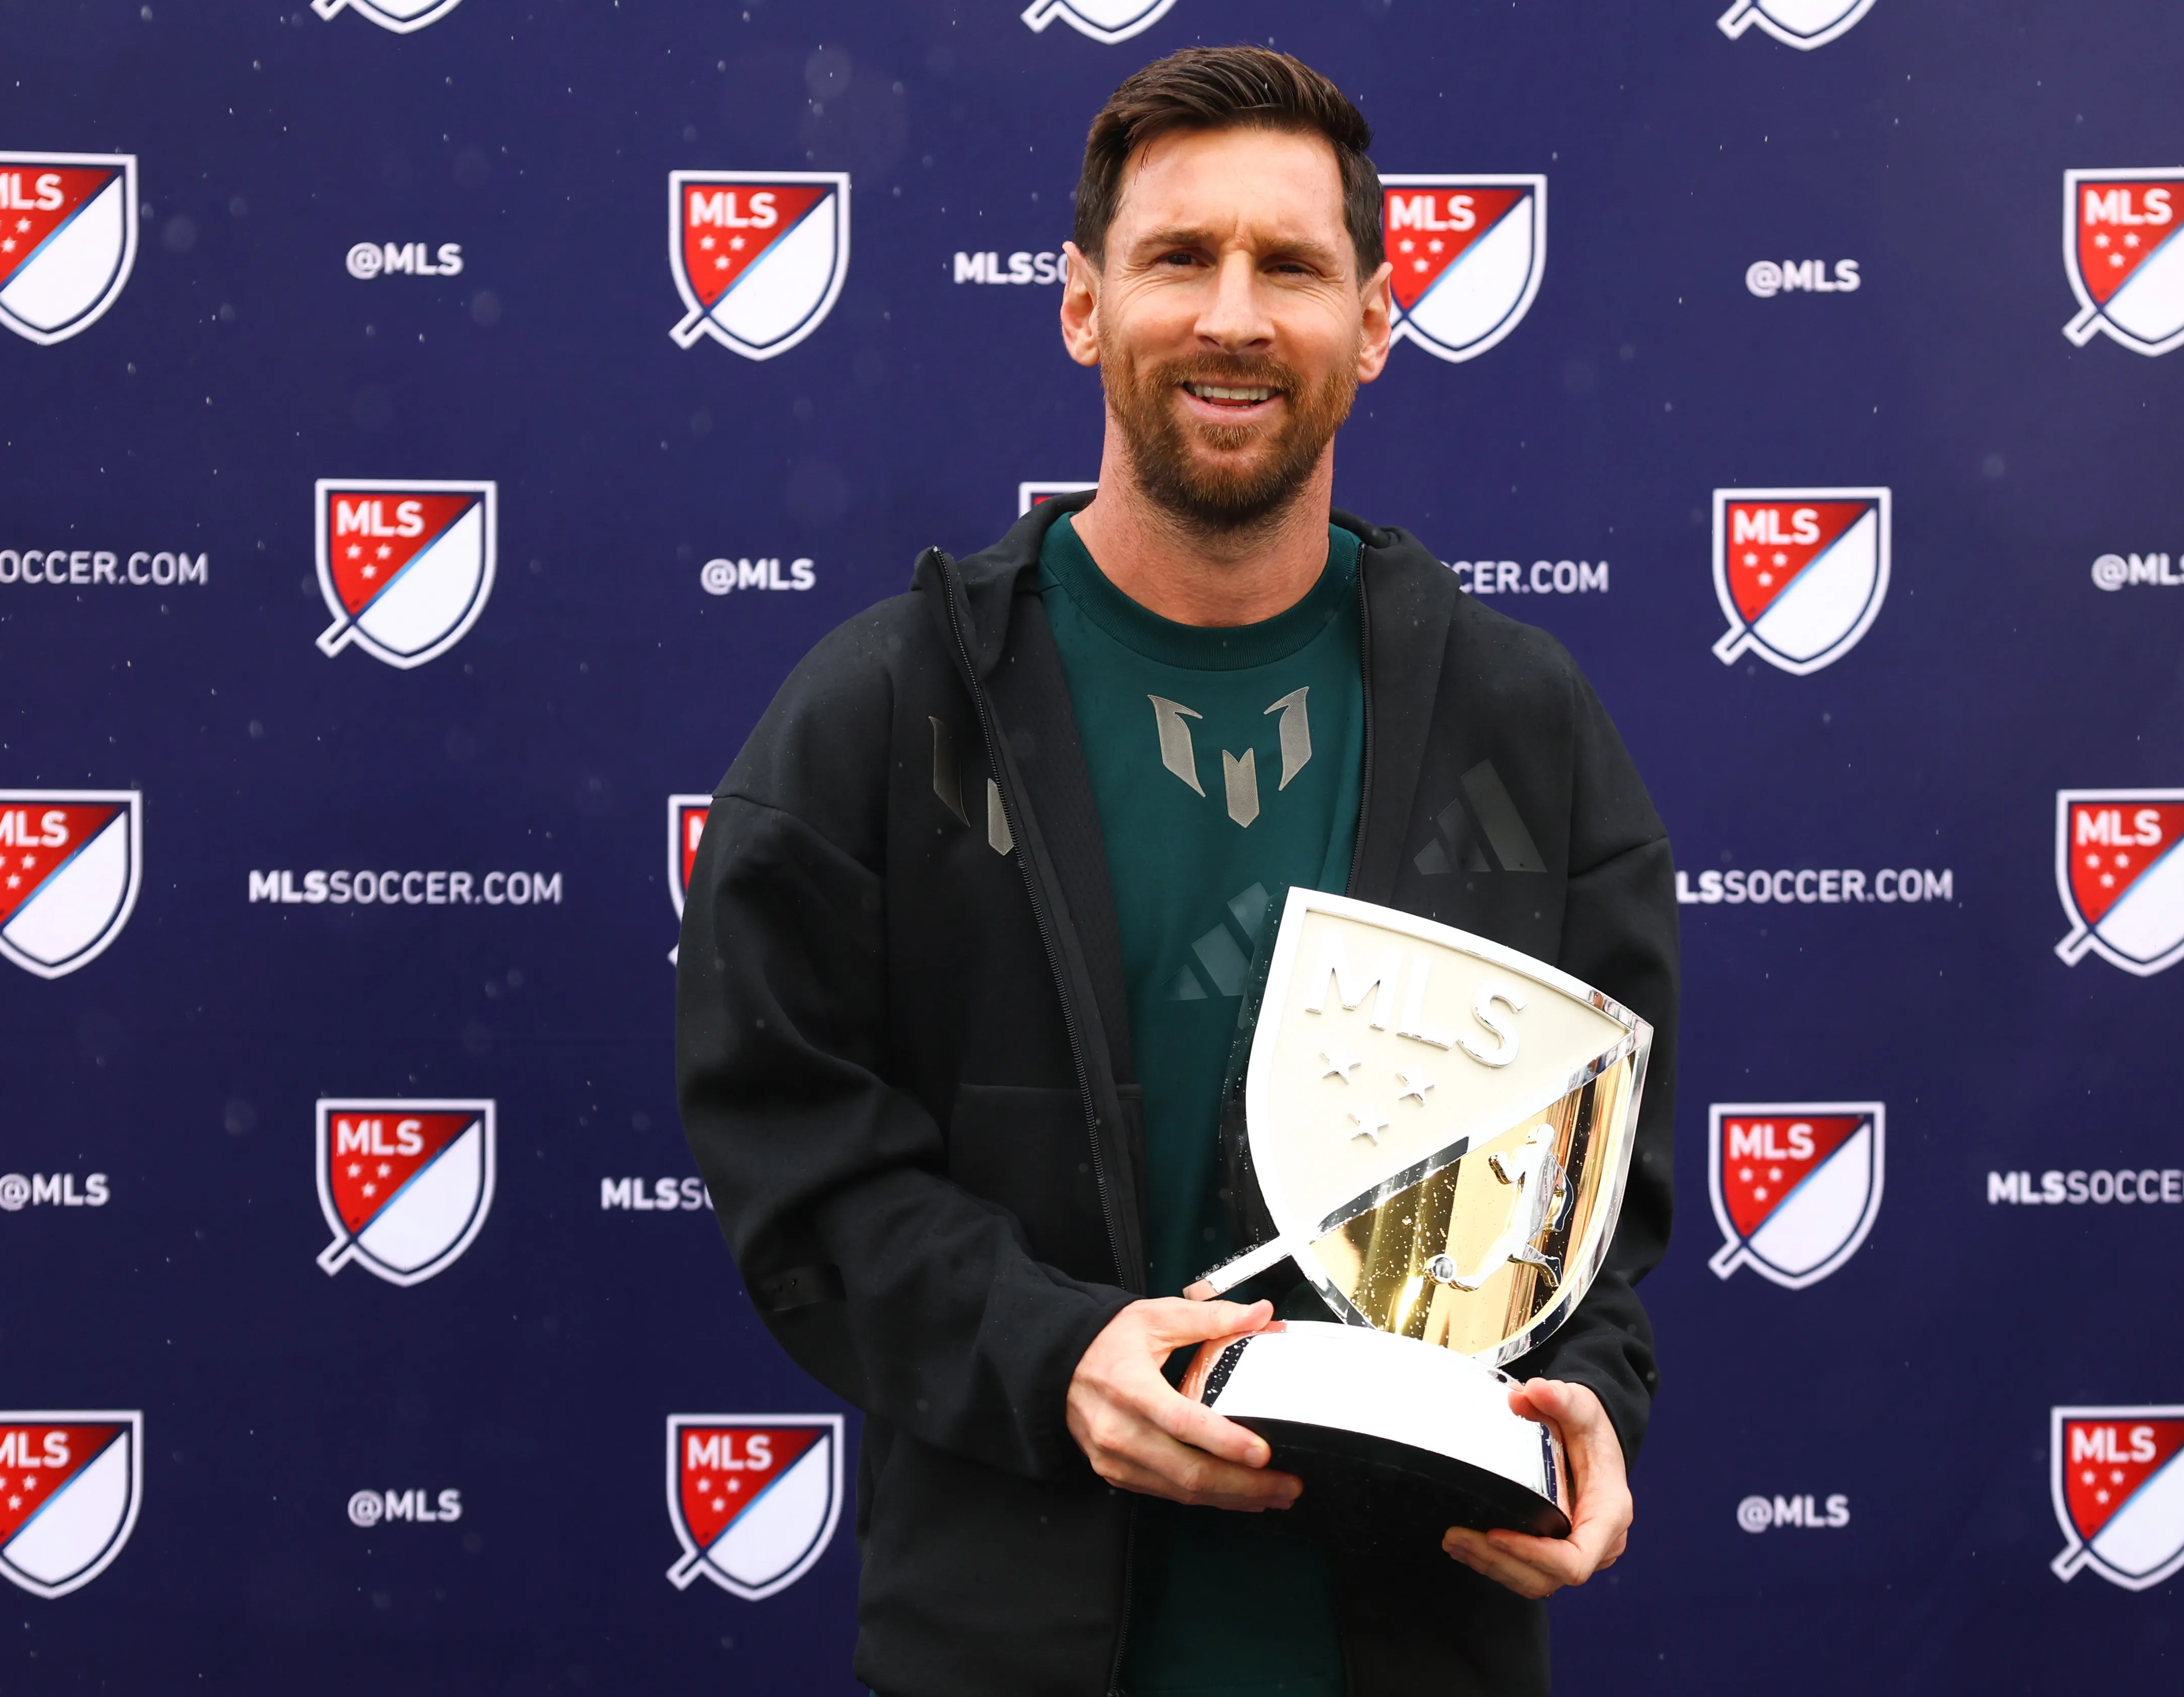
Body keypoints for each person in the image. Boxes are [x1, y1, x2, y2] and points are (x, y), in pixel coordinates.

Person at [676, 45, 1678, 1697]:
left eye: (1289, 265)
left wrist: (1592, 1401)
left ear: (1372, 320)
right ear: (1081, 305)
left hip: (1414, 1644)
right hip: (1003, 1652)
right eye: (1176, 257)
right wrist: (1055, 1353)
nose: (1231, 314)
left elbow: (1599, 1196)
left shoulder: (1523, 727)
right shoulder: (893, 710)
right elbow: (799, 1164)